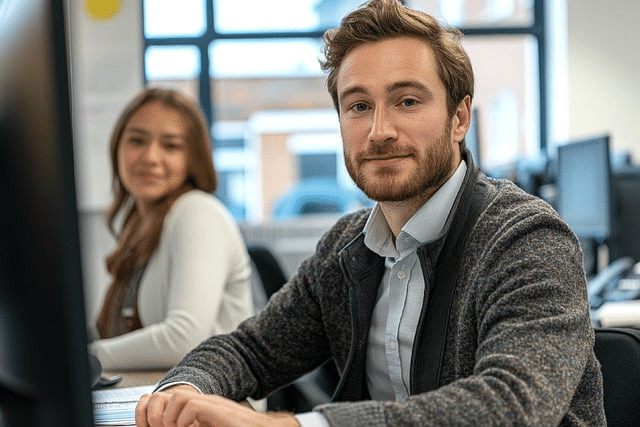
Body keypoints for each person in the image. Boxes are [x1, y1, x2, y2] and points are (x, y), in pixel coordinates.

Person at [135, 1, 606, 425]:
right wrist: (182, 391)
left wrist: (297, 426)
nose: (379, 131)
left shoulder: (527, 239)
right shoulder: (346, 248)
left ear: (459, 118)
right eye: (358, 106)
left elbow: (512, 405)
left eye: (407, 101)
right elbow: (252, 350)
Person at [89, 88, 253, 370]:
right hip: (164, 397)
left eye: (171, 145)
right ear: (117, 147)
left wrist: (85, 358)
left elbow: (185, 339)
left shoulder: (197, 212)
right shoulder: (139, 227)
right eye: (137, 140)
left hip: (218, 405)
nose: (151, 157)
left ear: (193, 158)